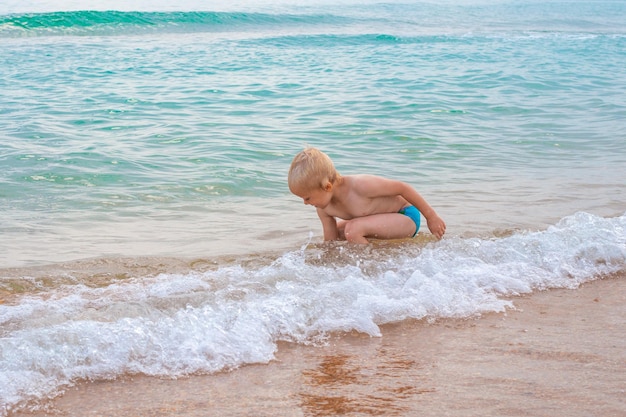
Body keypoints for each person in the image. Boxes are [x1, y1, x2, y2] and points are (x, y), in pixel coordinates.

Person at [288, 147, 446, 243]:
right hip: (383, 221)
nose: (305, 203)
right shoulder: (323, 207)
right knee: (341, 233)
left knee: (352, 229)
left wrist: (431, 217)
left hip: (406, 216)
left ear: (327, 187)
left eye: (307, 198)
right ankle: (365, 256)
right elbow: (331, 242)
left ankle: (370, 266)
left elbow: (402, 188)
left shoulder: (360, 186)